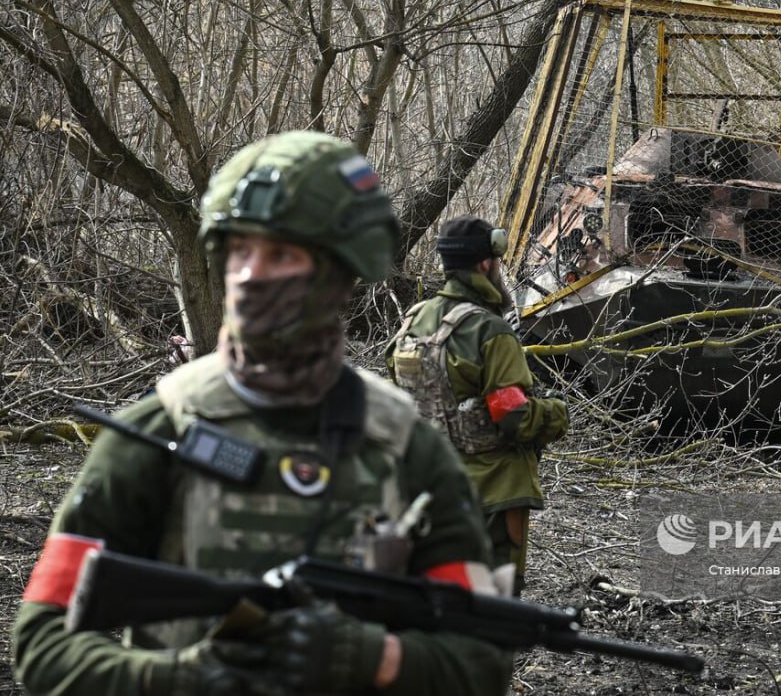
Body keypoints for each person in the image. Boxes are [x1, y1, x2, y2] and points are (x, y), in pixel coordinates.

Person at [12, 131, 512, 695]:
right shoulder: (159, 430)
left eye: (281, 255)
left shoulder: (406, 448)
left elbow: (483, 660)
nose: (250, 275)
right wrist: (182, 678)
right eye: (240, 252)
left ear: (340, 273)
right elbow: (43, 644)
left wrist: (376, 658)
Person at [387, 216, 568, 596]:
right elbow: (513, 415)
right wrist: (555, 413)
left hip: (427, 487)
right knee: (491, 603)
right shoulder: (490, 331)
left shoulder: (414, 321)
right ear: (486, 264)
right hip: (492, 493)